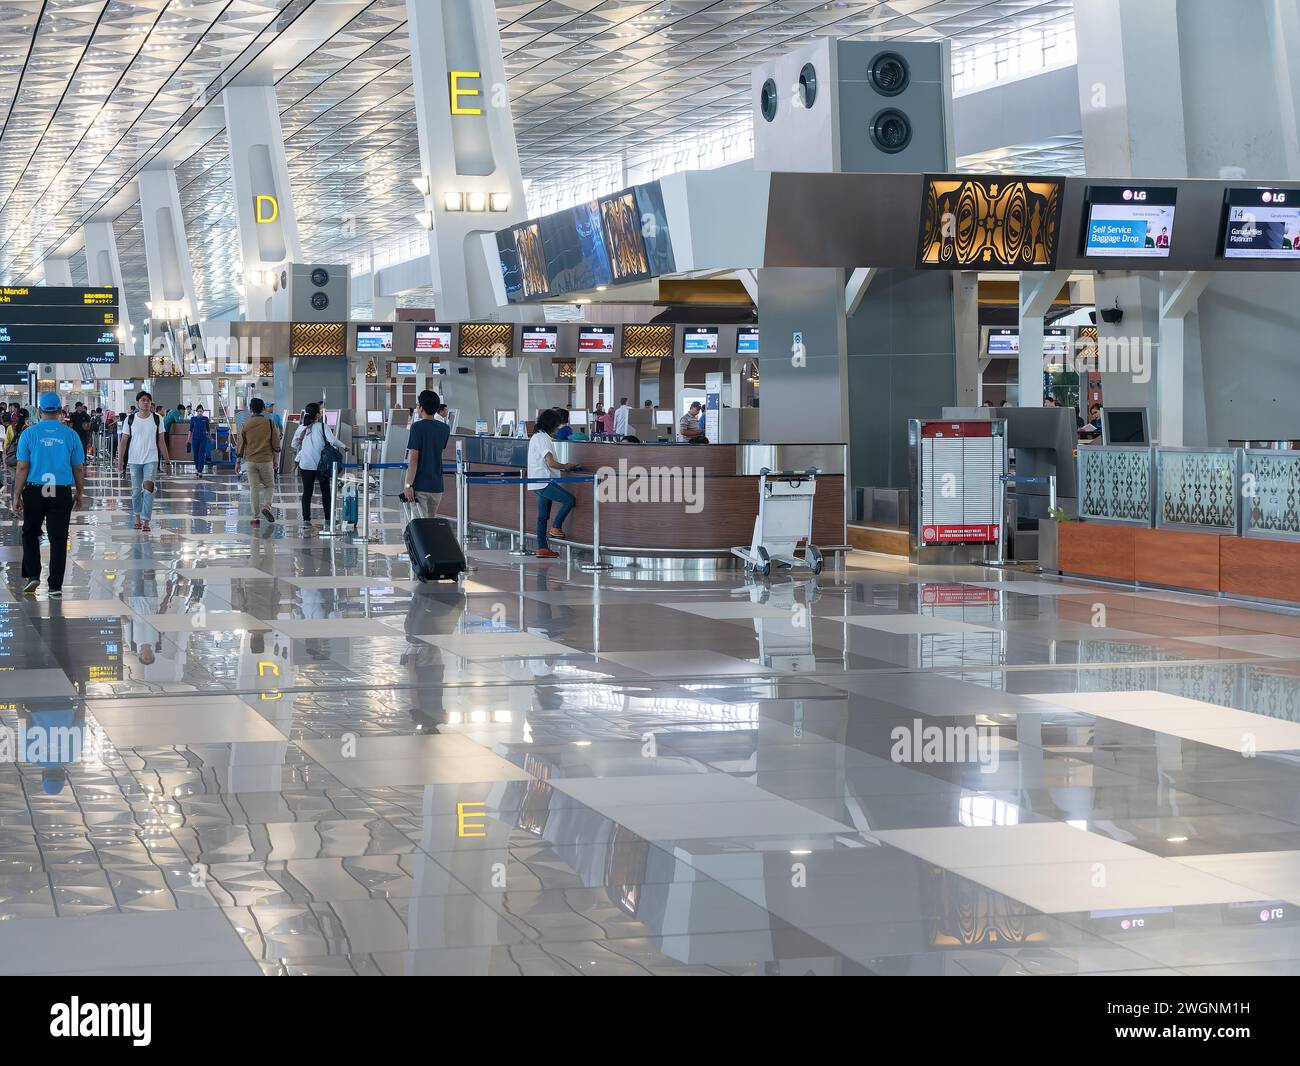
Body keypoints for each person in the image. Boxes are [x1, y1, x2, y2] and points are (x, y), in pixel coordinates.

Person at [13, 392, 84, 596]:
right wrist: (79, 492)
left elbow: (22, 467)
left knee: (30, 533)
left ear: (40, 410)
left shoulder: (29, 433)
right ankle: (55, 587)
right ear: (60, 411)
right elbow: (77, 467)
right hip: (60, 491)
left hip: (35, 491)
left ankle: (34, 575)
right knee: (59, 538)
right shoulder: (70, 434)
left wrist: (17, 495)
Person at [528, 408, 580, 559]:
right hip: (543, 480)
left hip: (536, 481)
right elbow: (550, 462)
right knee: (569, 500)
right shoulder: (543, 438)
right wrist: (566, 466)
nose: (558, 428)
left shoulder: (536, 436)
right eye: (556, 424)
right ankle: (556, 527)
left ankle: (542, 547)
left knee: (542, 516)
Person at [118, 389, 169, 532]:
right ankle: (137, 517)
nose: (146, 402)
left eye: (148, 400)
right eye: (143, 400)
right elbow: (123, 441)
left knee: (148, 490)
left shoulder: (157, 418)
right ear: (137, 403)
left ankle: (146, 520)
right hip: (134, 460)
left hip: (151, 459)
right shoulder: (130, 419)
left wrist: (167, 461)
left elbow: (161, 441)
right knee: (135, 491)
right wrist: (120, 460)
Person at [400, 389, 451, 518]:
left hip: (420, 486)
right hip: (437, 486)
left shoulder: (417, 428)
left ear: (421, 408)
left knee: (420, 527)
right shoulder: (445, 429)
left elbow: (413, 460)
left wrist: (408, 485)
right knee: (430, 524)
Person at [290, 402, 341, 530]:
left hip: (305, 465)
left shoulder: (301, 427)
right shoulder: (323, 426)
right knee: (325, 492)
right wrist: (345, 446)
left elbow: (294, 445)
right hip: (321, 465)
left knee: (307, 492)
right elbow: (333, 440)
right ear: (318, 414)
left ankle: (306, 520)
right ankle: (328, 518)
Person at [238, 397, 280, 524]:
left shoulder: (246, 424)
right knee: (269, 485)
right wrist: (276, 460)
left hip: (250, 461)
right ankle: (267, 506)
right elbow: (276, 443)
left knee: (254, 488)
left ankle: (255, 517)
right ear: (263, 409)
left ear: (250, 409)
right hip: (266, 460)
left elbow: (240, 444)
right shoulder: (269, 423)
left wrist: (237, 462)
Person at [4, 405, 30, 490]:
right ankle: (24, 501)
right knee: (25, 484)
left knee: (15, 483)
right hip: (25, 461)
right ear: (27, 418)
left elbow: (6, 445)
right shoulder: (29, 430)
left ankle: (14, 501)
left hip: (12, 460)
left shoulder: (10, 428)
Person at [189, 404, 212, 477]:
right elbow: (190, 430)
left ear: (203, 411)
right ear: (196, 412)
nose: (199, 413)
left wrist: (210, 437)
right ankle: (197, 468)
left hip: (203, 439)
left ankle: (200, 471)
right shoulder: (193, 419)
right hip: (195, 439)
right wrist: (188, 439)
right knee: (196, 454)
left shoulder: (205, 419)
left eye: (201, 411)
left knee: (201, 455)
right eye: (198, 411)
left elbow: (208, 430)